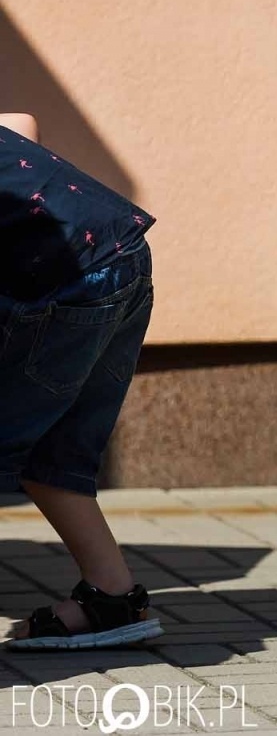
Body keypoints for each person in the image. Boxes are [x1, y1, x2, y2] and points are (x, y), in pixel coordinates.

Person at [1, 112, 162, 651]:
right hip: (122, 254)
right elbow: (20, 123)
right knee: (55, 451)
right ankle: (111, 599)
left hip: (62, 281)